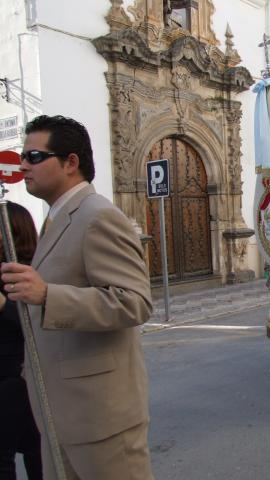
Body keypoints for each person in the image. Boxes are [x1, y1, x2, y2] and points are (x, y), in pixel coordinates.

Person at [1, 115, 153, 478]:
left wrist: (47, 295)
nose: (24, 165)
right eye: (24, 156)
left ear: (71, 163)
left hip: (100, 419)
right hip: (62, 413)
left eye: (35, 157)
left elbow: (135, 301)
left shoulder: (97, 216)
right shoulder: (59, 216)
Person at [0, 202, 42, 480]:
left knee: (33, 454)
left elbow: (37, 322)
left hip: (15, 377)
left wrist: (4, 306)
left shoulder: (28, 273)